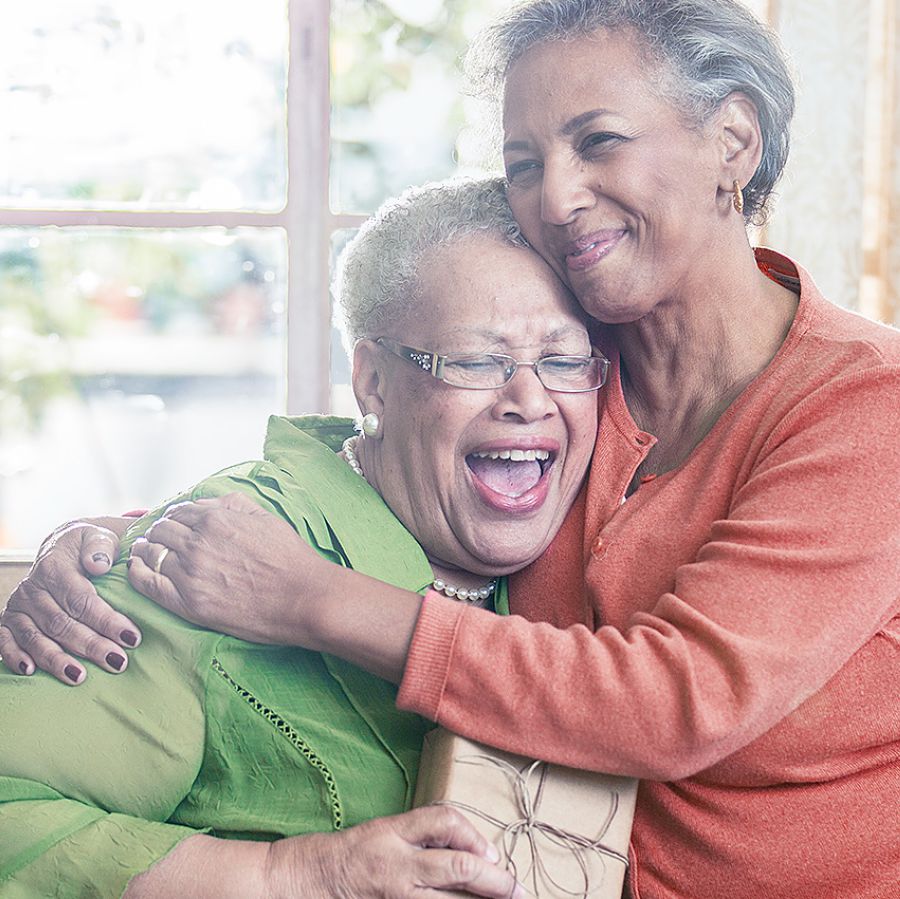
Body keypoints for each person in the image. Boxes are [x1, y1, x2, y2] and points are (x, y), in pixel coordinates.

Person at [4, 1, 900, 897]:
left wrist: (310, 596)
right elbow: (402, 450)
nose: (554, 197)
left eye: (599, 141)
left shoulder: (863, 403)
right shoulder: (584, 363)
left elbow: (670, 700)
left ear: (733, 141)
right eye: (523, 163)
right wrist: (119, 545)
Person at [0, 176, 604, 897]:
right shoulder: (203, 563)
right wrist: (299, 872)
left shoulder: (599, 552)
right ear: (374, 382)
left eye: (564, 360)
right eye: (476, 360)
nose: (531, 399)